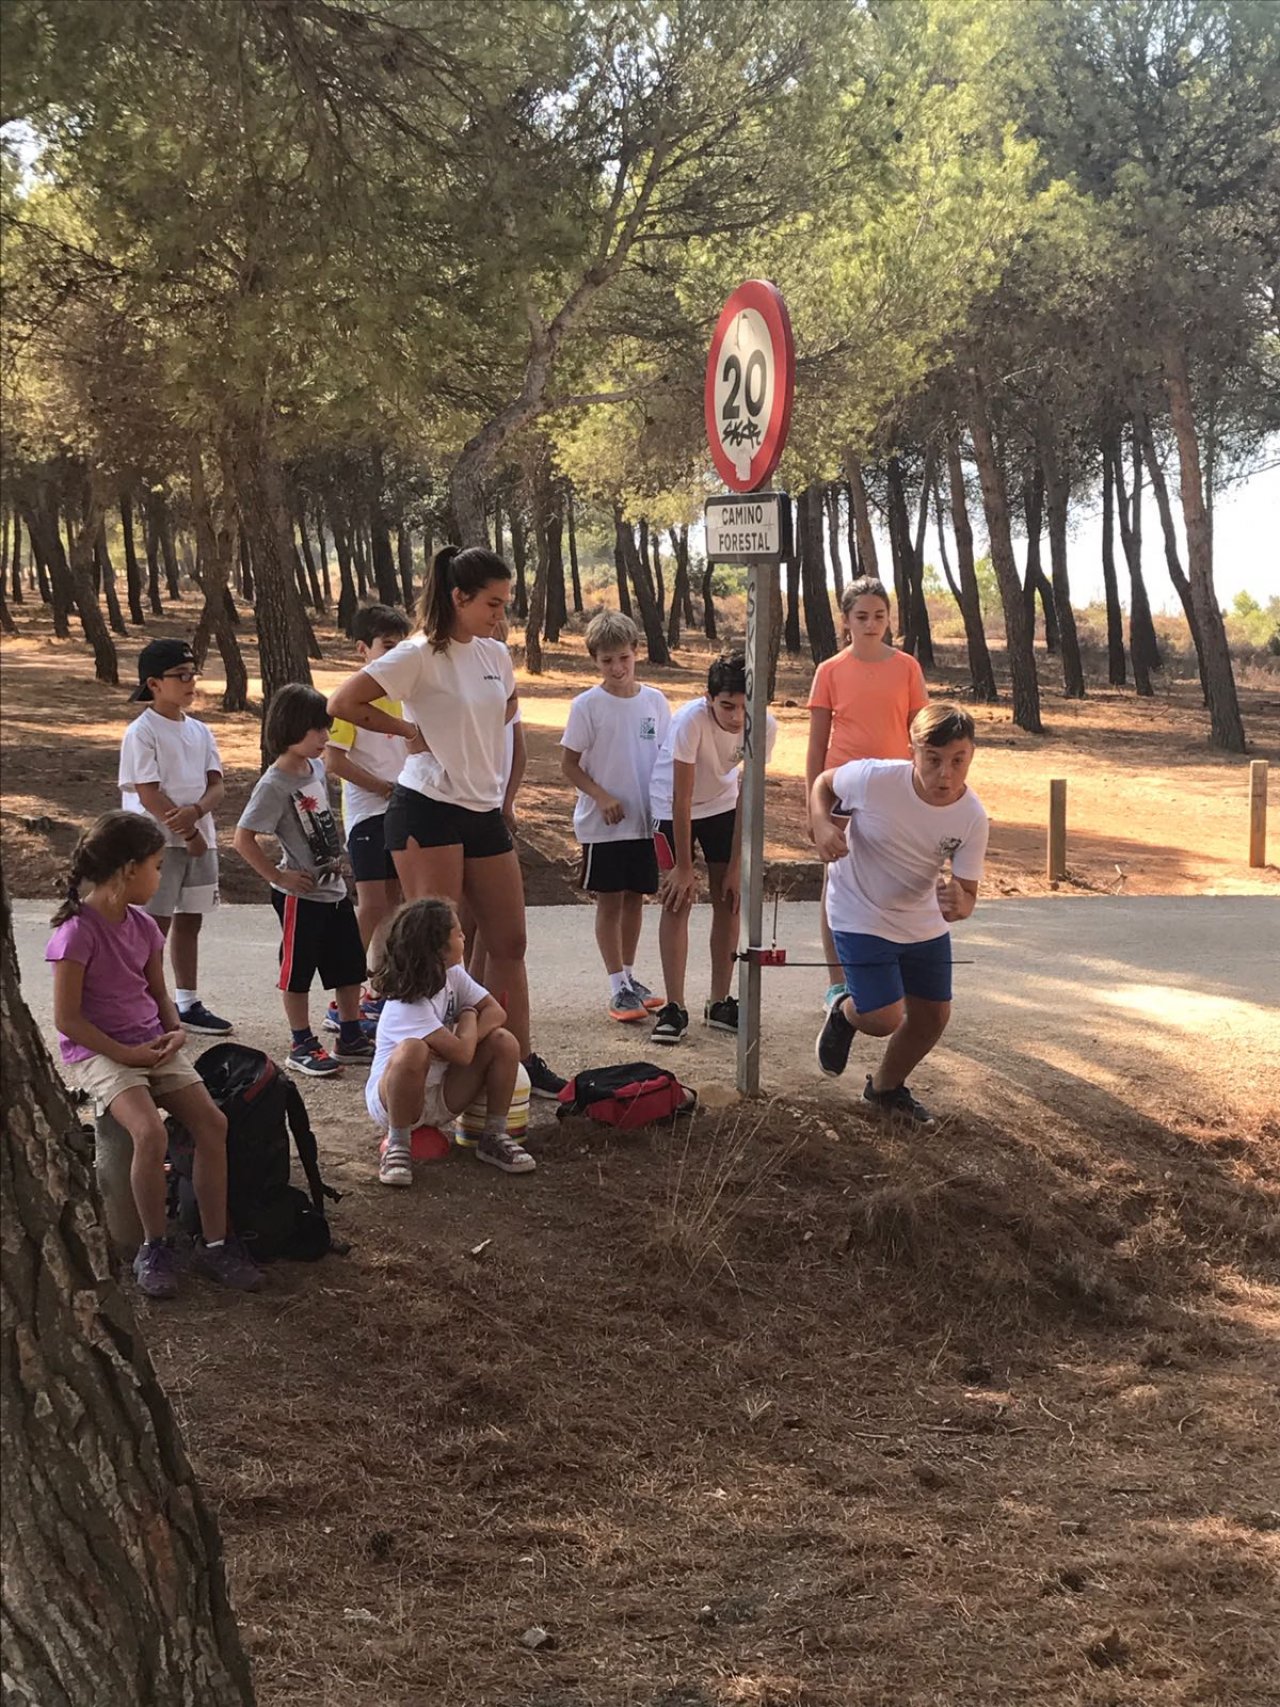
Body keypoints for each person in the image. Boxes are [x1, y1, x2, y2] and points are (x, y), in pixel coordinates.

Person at [326, 545, 565, 1099]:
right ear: (458, 597)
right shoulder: (417, 654)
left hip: (483, 811)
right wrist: (409, 732)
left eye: (504, 603)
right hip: (426, 808)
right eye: (492, 603)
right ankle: (424, 1073)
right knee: (436, 949)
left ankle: (517, 1063)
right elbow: (343, 703)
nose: (500, 615)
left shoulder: (495, 655)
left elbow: (506, 709)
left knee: (510, 942)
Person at [45, 810, 262, 1299]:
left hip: (151, 1042)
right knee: (149, 1131)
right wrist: (125, 1054)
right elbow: (68, 1020)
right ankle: (154, 1246)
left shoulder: (144, 926)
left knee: (213, 1123)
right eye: (157, 867)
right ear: (129, 870)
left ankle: (215, 1243)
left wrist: (175, 1033)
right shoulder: (76, 932)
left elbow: (160, 994)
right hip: (100, 1051)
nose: (161, 877)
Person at [811, 703, 988, 1126]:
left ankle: (885, 1089)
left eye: (958, 761)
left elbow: (967, 897)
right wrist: (820, 823)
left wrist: (958, 904)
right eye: (933, 760)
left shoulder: (972, 817)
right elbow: (824, 784)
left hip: (920, 918)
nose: (945, 774)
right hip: (859, 908)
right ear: (913, 752)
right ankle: (845, 1011)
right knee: (883, 1018)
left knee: (933, 1017)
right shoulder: (875, 779)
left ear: (971, 756)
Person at [232, 685, 373, 1078]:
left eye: (327, 729)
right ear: (291, 728)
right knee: (298, 972)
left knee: (349, 966)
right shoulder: (273, 784)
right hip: (301, 896)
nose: (325, 737)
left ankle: (350, 1034)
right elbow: (243, 838)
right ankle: (302, 1043)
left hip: (334, 890)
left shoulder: (316, 768)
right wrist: (279, 876)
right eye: (317, 730)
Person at [806, 578, 929, 1014]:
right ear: (846, 621)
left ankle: (896, 977)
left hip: (894, 788)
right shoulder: (829, 671)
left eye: (879, 616)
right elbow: (816, 746)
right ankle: (838, 983)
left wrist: (924, 793)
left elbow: (921, 737)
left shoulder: (908, 668)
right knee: (836, 883)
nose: (871, 624)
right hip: (841, 787)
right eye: (861, 616)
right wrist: (816, 812)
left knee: (895, 878)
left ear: (889, 619)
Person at [648, 651, 777, 1045]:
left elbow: (748, 795)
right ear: (709, 699)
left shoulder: (764, 725)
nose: (737, 717)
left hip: (723, 803)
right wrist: (684, 868)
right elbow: (682, 798)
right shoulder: (691, 722)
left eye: (745, 707)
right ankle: (674, 1006)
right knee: (678, 899)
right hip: (673, 805)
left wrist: (737, 865)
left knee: (730, 898)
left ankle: (719, 1002)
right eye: (727, 706)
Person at [368, 897, 534, 1186]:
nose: (464, 937)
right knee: (413, 1050)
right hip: (396, 1103)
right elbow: (463, 1054)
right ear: (438, 949)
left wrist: (468, 1033)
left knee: (503, 1041)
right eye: (457, 934)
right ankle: (398, 1144)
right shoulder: (408, 1004)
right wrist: (468, 1016)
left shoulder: (453, 974)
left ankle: (494, 1135)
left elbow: (496, 1012)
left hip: (442, 1094)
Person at [118, 637, 232, 1036]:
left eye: (192, 674)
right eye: (180, 675)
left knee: (190, 920)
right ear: (154, 684)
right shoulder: (142, 731)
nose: (190, 682)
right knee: (154, 925)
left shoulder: (200, 731)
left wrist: (197, 814)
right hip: (158, 844)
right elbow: (149, 794)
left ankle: (187, 1001)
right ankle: (146, 1004)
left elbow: (216, 784)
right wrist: (188, 833)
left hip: (199, 838)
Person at [561, 610, 671, 1022]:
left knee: (635, 899)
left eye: (623, 658)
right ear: (595, 660)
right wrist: (601, 796)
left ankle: (629, 976)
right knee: (610, 902)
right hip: (604, 825)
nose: (617, 668)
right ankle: (615, 986)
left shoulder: (655, 701)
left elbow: (665, 757)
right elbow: (569, 764)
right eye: (607, 661)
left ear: (636, 652)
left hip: (644, 821)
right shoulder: (587, 706)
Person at [323, 603, 411, 1030]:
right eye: (387, 647)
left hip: (404, 809)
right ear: (363, 649)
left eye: (402, 647)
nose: (396, 655)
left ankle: (379, 986)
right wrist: (382, 787)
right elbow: (333, 761)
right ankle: (345, 995)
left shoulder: (406, 697)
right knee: (372, 904)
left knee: (395, 903)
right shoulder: (351, 698)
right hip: (368, 814)